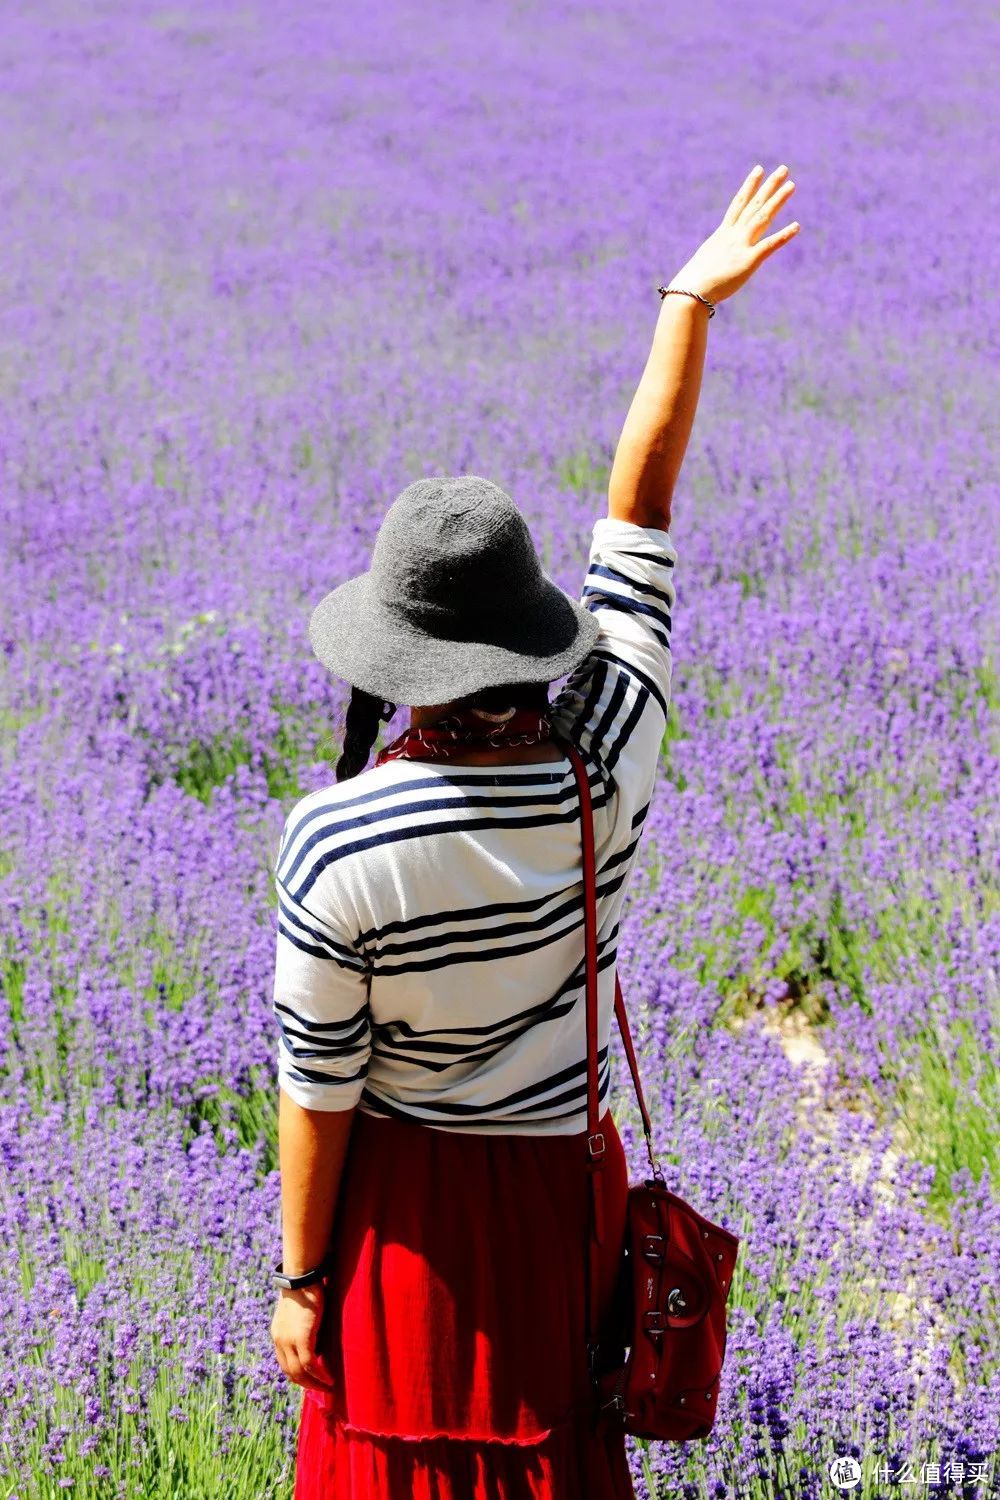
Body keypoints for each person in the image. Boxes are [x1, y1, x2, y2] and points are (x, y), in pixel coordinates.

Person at [269, 163, 799, 1499]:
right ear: (527, 639)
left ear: (392, 660)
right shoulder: (604, 765)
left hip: (407, 1226)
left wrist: (299, 1282)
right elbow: (641, 519)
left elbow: (319, 1097)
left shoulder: (337, 842)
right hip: (561, 1203)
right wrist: (687, 302)